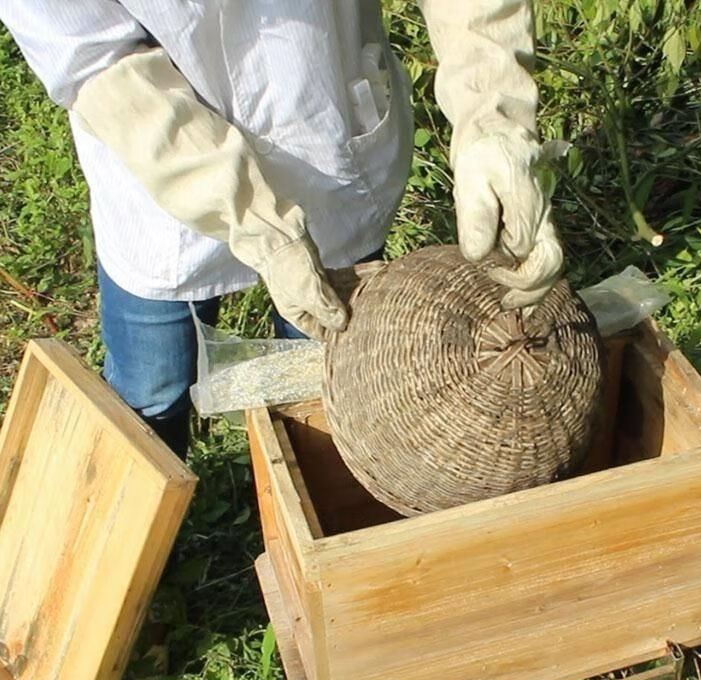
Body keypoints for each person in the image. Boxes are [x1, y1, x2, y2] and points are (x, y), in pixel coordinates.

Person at [1, 1, 563, 459]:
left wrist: (493, 117)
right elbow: (97, 60)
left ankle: (313, 498)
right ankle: (142, 552)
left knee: (324, 376)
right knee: (152, 390)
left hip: (326, 130)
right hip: (159, 177)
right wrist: (255, 224)